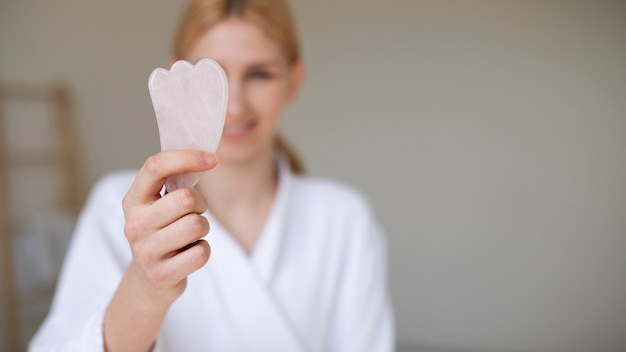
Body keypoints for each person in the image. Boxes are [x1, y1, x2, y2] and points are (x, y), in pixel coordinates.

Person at [30, 0, 394, 351]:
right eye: (213, 75)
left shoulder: (344, 218)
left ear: (293, 81)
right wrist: (145, 285)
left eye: (259, 74)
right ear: (176, 81)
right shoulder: (115, 206)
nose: (233, 105)